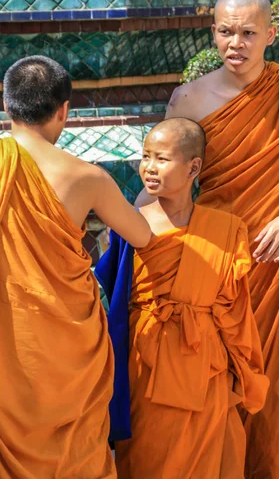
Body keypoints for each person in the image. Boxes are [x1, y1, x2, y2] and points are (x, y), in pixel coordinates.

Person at [163, 0, 279, 478]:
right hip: (221, 273)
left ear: (270, 35)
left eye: (249, 33)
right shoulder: (190, 98)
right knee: (222, 396)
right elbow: (169, 187)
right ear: (213, 33)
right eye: (226, 32)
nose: (237, 44)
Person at [0, 56, 151, 479]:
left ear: (8, 105)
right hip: (67, 345)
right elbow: (140, 236)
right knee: (75, 447)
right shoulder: (87, 177)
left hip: (8, 342)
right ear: (64, 110)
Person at [96, 118, 269, 479]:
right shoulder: (130, 225)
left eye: (162, 158)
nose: (149, 167)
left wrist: (241, 367)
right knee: (147, 459)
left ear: (194, 167)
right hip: (145, 365)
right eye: (145, 156)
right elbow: (108, 298)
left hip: (206, 368)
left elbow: (235, 311)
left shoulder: (225, 228)